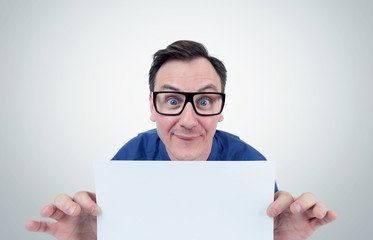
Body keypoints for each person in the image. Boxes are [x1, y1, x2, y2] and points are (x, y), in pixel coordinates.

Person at [26, 40, 337, 240]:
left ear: (220, 108)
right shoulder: (129, 159)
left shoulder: (250, 165)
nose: (188, 121)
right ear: (152, 107)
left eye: (204, 102)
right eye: (172, 101)